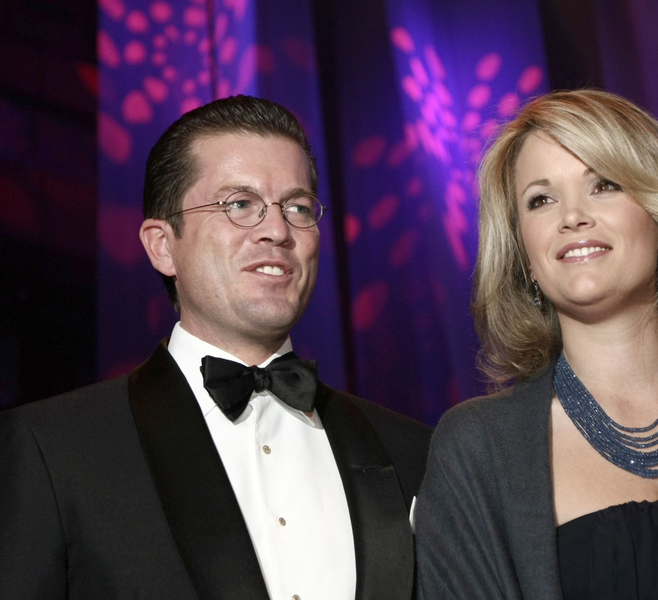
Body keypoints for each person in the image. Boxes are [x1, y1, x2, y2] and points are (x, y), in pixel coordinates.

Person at [0, 95, 431, 600]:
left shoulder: (415, 452)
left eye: (296, 207)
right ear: (163, 245)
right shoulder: (52, 448)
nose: (276, 231)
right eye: (240, 205)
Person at [414, 89, 658, 599]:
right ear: (525, 256)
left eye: (604, 184)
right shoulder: (482, 448)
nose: (572, 216)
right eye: (541, 199)